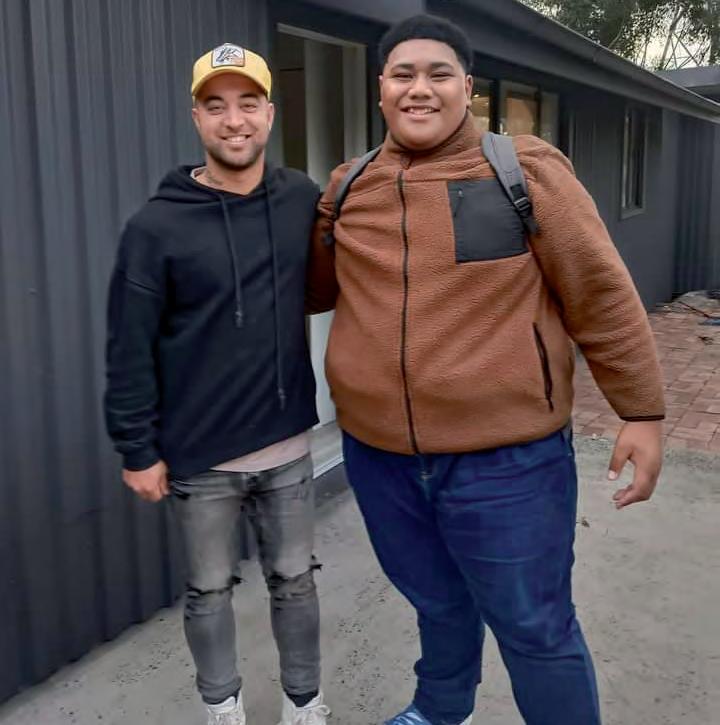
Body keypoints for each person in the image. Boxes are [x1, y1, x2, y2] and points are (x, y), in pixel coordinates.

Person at [307, 14, 664, 725]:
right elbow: (311, 288)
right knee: (435, 602)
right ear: (380, 89)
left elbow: (599, 293)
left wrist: (643, 412)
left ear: (466, 87)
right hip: (380, 457)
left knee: (535, 625)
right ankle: (441, 709)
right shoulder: (349, 186)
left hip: (508, 463)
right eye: (403, 74)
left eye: (438, 74)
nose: (420, 88)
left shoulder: (522, 171)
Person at [104, 43, 330, 725]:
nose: (235, 120)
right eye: (217, 105)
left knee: (295, 583)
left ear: (270, 113)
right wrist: (137, 448)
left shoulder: (300, 200)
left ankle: (303, 703)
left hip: (287, 446)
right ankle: (222, 706)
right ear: (197, 117)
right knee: (208, 591)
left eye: (248, 103)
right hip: (199, 457)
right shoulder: (155, 227)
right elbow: (129, 346)